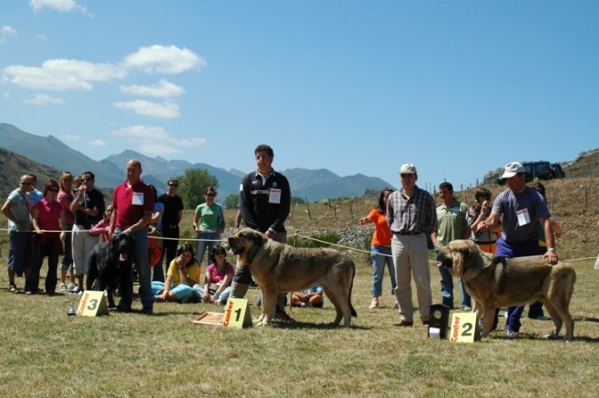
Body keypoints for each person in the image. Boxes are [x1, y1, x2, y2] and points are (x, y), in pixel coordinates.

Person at [478, 162, 557, 337]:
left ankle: (511, 326)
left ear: (522, 177)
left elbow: (546, 223)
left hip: (529, 245)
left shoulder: (535, 197)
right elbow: (494, 218)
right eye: (506, 179)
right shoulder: (503, 197)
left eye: (512, 178)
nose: (508, 182)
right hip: (506, 245)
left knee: (519, 286)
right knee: (493, 280)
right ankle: (487, 323)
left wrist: (550, 249)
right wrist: (487, 223)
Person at [231, 144, 292, 322]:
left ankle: (278, 310)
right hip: (250, 237)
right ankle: (233, 305)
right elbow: (244, 206)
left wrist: (272, 229)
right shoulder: (248, 180)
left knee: (279, 273)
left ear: (272, 158)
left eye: (264, 156)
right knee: (242, 269)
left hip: (276, 234)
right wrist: (255, 232)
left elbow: (284, 208)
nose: (261, 160)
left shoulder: (281, 181)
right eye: (258, 157)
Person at [386, 163, 437, 327]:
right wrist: (396, 233)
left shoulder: (425, 196)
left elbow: (433, 220)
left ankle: (426, 315)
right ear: (400, 178)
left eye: (409, 175)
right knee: (401, 282)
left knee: (422, 280)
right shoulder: (393, 197)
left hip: (418, 239)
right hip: (398, 239)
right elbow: (389, 219)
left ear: (416, 177)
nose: (406, 179)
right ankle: (406, 316)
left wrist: (423, 234)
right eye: (403, 175)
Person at [109, 159, 155, 314]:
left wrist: (132, 230)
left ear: (140, 171)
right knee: (122, 269)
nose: (130, 173)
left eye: (133, 170)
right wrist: (112, 229)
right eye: (128, 170)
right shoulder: (118, 189)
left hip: (139, 234)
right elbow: (114, 211)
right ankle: (125, 301)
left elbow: (147, 217)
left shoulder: (146, 190)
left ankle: (147, 303)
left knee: (142, 269)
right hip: (119, 233)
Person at [431, 182, 472, 310]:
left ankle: (466, 304)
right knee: (445, 278)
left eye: (445, 192)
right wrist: (435, 243)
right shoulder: (437, 210)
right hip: (442, 249)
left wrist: (463, 243)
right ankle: (447, 302)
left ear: (451, 192)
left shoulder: (462, 207)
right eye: (440, 193)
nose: (442, 195)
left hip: (458, 250)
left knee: (462, 276)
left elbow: (469, 227)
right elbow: (433, 228)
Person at [528, 181, 564, 321]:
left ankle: (532, 309)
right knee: (540, 279)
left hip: (531, 244)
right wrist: (559, 233)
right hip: (541, 245)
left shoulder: (529, 203)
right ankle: (536, 310)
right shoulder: (540, 205)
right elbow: (551, 222)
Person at [359, 187, 397, 309]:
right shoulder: (376, 211)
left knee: (396, 274)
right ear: (382, 198)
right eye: (386, 197)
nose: (388, 199)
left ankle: (398, 298)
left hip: (394, 248)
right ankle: (375, 299)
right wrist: (365, 220)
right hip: (378, 247)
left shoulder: (398, 211)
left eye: (391, 196)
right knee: (377, 274)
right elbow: (369, 218)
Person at [28, 179, 67, 295]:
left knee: (53, 263)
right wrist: (38, 229)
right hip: (41, 236)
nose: (54, 192)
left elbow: (63, 221)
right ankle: (31, 287)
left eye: (56, 190)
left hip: (55, 237)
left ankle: (50, 288)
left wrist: (63, 231)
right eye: (52, 190)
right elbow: (34, 219)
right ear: (46, 190)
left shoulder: (59, 206)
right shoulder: (39, 204)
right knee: (36, 263)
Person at [69, 171, 105, 294]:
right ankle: (79, 285)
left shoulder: (98, 195)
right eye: (83, 180)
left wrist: (80, 208)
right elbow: (72, 209)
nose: (85, 182)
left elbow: (94, 212)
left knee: (90, 257)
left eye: (88, 179)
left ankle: (89, 285)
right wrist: (79, 195)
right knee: (77, 255)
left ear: (93, 180)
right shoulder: (78, 194)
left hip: (91, 228)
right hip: (78, 227)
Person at [2, 175, 34, 293]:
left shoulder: (28, 196)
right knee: (15, 257)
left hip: (27, 230)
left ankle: (28, 284)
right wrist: (16, 221)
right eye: (23, 183)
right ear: (19, 182)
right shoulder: (15, 194)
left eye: (28, 183)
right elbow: (4, 209)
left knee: (27, 258)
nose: (26, 185)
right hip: (17, 231)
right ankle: (11, 284)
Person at [156, 178, 184, 281]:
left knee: (171, 257)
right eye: (171, 185)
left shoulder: (178, 200)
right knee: (159, 255)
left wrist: (174, 224)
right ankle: (158, 280)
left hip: (174, 230)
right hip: (162, 230)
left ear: (177, 187)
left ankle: (169, 280)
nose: (173, 187)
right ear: (167, 185)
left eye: (175, 185)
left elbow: (180, 215)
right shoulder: (161, 199)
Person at [193, 186, 225, 267]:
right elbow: (195, 221)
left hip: (215, 233)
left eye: (212, 195)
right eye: (209, 194)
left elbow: (223, 220)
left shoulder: (218, 207)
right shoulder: (200, 207)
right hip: (203, 233)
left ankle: (210, 279)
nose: (211, 197)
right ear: (205, 195)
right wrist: (196, 228)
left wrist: (222, 230)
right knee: (198, 257)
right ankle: (194, 278)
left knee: (213, 258)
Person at [57, 172, 77, 292]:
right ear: (62, 182)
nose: (68, 182)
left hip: (76, 225)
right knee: (68, 254)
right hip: (68, 226)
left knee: (75, 255)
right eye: (65, 180)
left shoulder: (74, 193)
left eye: (70, 180)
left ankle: (73, 281)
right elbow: (72, 209)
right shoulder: (62, 196)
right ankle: (62, 282)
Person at [467, 187, 501, 254]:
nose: (490, 200)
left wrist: (487, 228)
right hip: (478, 246)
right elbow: (473, 228)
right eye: (487, 198)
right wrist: (482, 214)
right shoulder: (471, 211)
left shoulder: (492, 210)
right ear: (480, 198)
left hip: (493, 245)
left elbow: (500, 227)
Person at [147, 184, 164, 277]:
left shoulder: (160, 205)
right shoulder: (142, 205)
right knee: (146, 261)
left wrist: (144, 219)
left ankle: (159, 283)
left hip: (157, 234)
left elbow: (156, 218)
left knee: (157, 259)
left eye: (151, 192)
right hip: (144, 233)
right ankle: (147, 285)